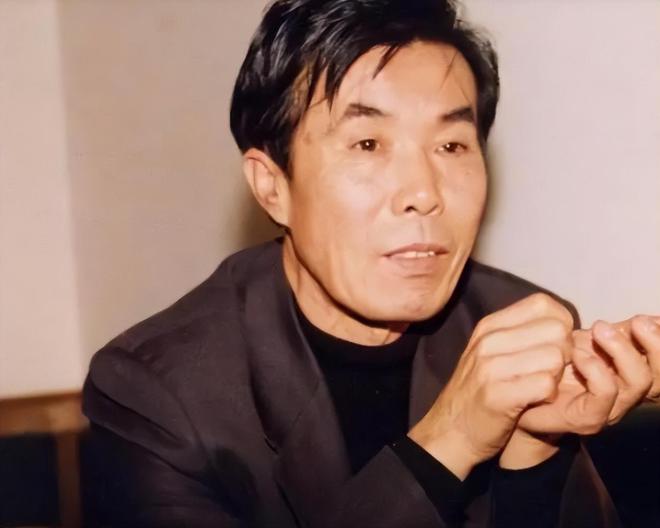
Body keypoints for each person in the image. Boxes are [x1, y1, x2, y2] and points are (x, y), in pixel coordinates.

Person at [82, 0, 660, 526]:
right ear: (272, 186)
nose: (423, 192)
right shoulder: (157, 394)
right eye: (368, 144)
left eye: (452, 146)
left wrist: (533, 452)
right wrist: (452, 438)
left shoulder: (515, 325)